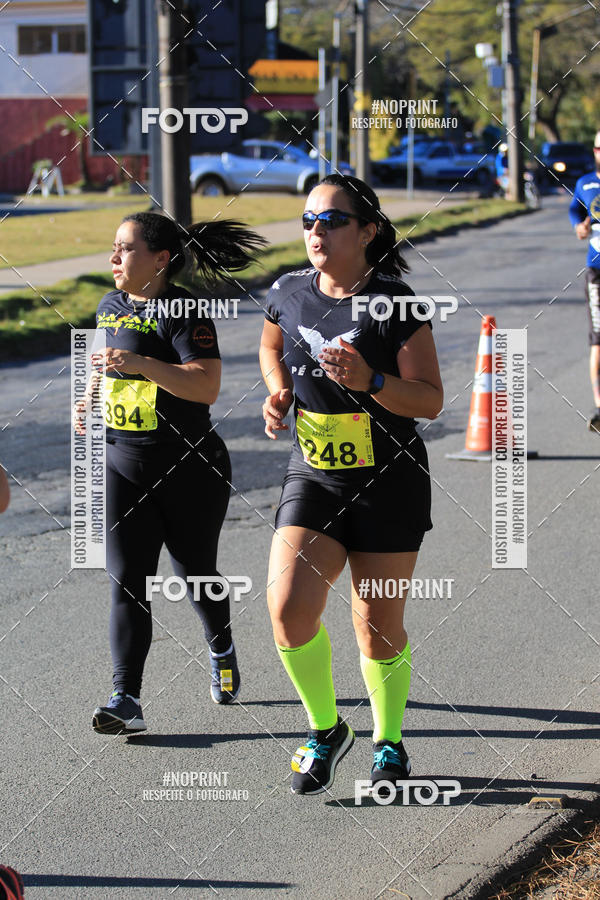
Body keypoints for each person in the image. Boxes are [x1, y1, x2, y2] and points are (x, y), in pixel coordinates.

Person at [259, 174, 443, 795]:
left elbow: (431, 400)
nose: (316, 230)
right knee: (287, 610)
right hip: (314, 473)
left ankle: (388, 742)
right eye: (309, 219)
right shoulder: (287, 291)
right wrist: (276, 389)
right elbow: (271, 338)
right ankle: (326, 729)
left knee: (377, 626)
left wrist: (371, 381)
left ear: (366, 231)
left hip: (388, 482)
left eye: (331, 220)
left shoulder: (396, 303)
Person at [74, 212, 266, 734]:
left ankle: (221, 645)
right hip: (123, 465)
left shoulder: (183, 310)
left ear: (160, 259)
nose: (114, 258)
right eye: (113, 248)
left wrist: (139, 367)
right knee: (126, 581)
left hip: (189, 469)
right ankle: (125, 698)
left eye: (126, 249)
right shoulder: (110, 304)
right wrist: (92, 394)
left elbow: (204, 386)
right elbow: (107, 358)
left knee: (195, 574)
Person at [569, 129, 600, 433]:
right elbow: (575, 208)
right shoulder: (586, 183)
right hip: (597, 271)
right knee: (599, 340)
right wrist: (578, 226)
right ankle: (599, 408)